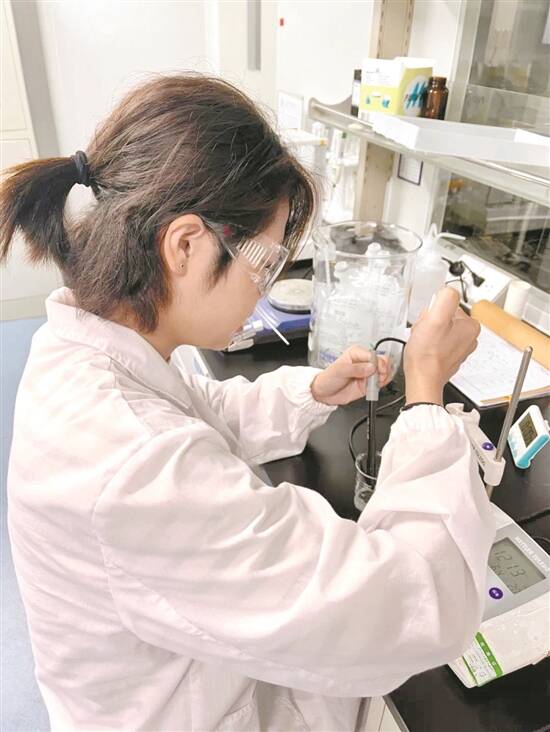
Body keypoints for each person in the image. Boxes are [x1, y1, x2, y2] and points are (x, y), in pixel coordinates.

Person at [1, 74, 494, 732]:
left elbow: (193, 412)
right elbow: (411, 603)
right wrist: (427, 394)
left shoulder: (87, 349)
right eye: (263, 265)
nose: (263, 289)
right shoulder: (133, 467)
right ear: (185, 245)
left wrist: (309, 392)